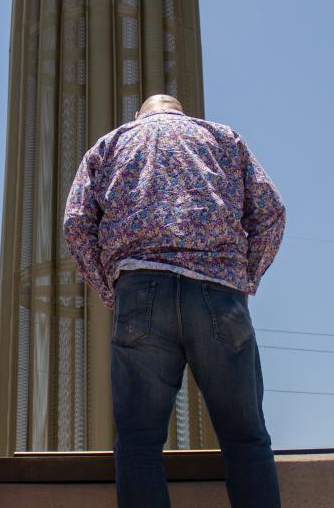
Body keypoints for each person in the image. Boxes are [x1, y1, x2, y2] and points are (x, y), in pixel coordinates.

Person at [64, 94, 286, 508]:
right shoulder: (222, 138)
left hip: (140, 291)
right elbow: (271, 211)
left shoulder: (110, 144)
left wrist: (109, 287)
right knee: (245, 436)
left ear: (138, 116)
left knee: (139, 440)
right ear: (183, 112)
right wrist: (246, 276)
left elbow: (76, 223)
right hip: (220, 292)